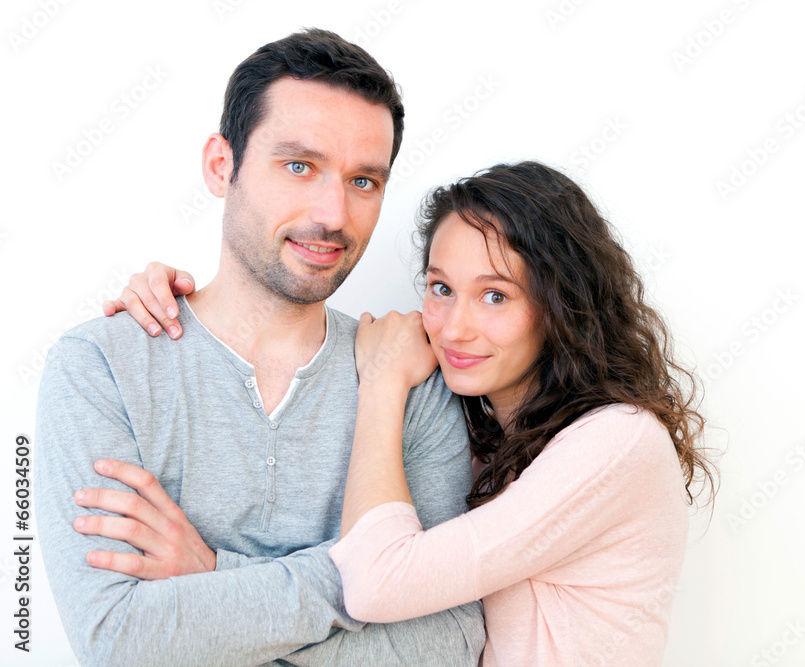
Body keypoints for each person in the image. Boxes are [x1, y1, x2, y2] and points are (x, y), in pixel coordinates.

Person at [117, 161, 715, 665]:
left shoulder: (618, 444)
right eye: (440, 288)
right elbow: (395, 629)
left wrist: (383, 384)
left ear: (563, 304)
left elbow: (376, 582)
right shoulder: (490, 438)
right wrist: (185, 308)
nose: (454, 327)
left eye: (495, 295)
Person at [35, 28, 484, 666]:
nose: (333, 213)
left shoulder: (411, 379)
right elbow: (119, 639)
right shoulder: (103, 367)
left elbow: (448, 645)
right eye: (298, 165)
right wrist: (373, 573)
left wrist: (213, 572)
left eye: (364, 181)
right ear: (222, 166)